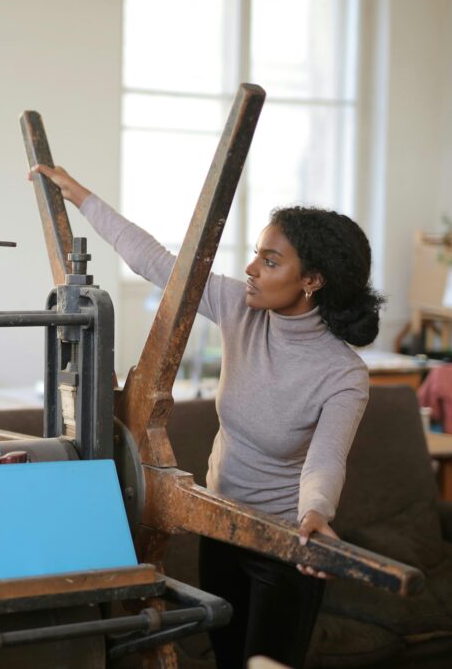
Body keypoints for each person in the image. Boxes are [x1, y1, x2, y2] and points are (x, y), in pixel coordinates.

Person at [28, 164, 384, 669]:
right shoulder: (241, 308)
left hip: (284, 544)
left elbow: (324, 460)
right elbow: (157, 262)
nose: (252, 269)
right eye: (257, 254)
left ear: (312, 281)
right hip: (220, 528)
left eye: (270, 261)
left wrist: (316, 515)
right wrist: (81, 196)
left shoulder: (342, 373)